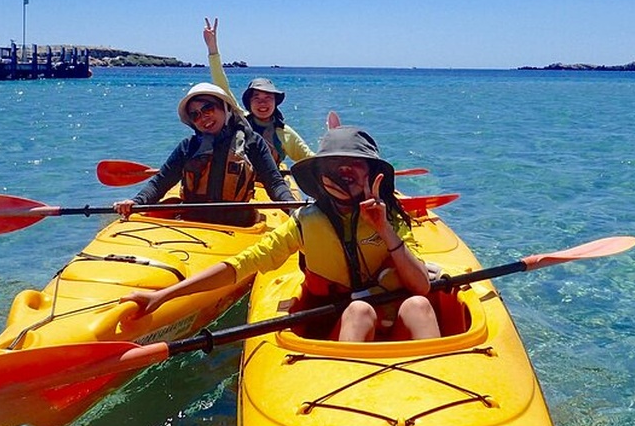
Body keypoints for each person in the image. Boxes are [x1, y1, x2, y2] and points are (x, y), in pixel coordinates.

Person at [121, 125, 440, 342]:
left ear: (373, 175)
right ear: (321, 177)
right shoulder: (306, 222)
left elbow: (420, 287)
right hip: (334, 325)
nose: (345, 175)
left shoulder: (391, 219)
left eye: (355, 166)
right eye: (336, 167)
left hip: (393, 321)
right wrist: (161, 296)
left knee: (418, 306)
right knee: (359, 310)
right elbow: (240, 266)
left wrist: (383, 227)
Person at [113, 82, 296, 226]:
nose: (203, 118)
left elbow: (274, 184)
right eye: (195, 115)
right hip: (194, 225)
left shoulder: (252, 142)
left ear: (225, 108)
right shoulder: (188, 147)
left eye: (208, 109)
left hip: (239, 227)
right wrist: (135, 202)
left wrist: (294, 210)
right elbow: (160, 182)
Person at [203, 17, 314, 166]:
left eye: (268, 97)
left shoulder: (284, 133)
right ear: (249, 103)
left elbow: (310, 159)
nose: (262, 102)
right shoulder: (241, 120)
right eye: (257, 98)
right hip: (238, 182)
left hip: (271, 184)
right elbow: (221, 87)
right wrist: (212, 49)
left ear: (275, 102)